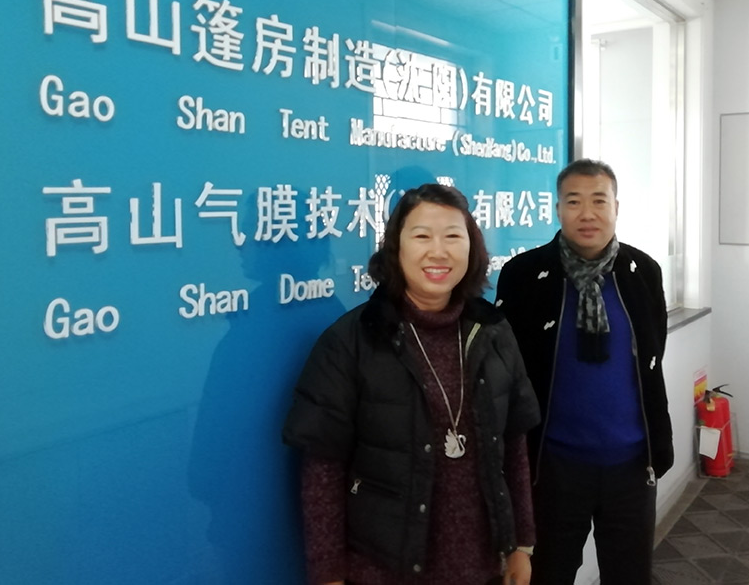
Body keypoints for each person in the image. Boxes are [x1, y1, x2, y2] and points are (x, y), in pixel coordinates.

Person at [283, 183, 541, 585]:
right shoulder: (351, 341)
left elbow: (515, 447)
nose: (438, 251)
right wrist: (328, 574)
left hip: (484, 567)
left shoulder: (493, 331)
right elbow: (322, 470)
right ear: (396, 248)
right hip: (384, 570)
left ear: (471, 247)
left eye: (452, 236)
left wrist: (521, 543)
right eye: (421, 236)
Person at [495, 159, 673, 585]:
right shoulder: (523, 276)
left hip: (632, 466)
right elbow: (508, 373)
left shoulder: (643, 272)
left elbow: (653, 355)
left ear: (617, 207)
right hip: (552, 467)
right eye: (574, 202)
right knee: (548, 575)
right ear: (558, 209)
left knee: (629, 576)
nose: (587, 213)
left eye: (599, 201)